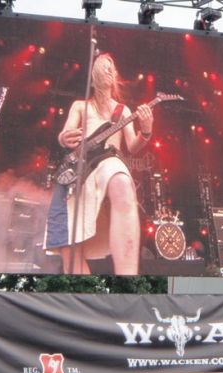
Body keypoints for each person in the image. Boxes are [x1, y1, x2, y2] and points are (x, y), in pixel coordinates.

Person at [44, 53, 154, 275]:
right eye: (103, 67)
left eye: (111, 68)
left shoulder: (122, 111)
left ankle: (128, 279)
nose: (108, 70)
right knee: (70, 253)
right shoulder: (80, 106)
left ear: (115, 77)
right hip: (80, 171)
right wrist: (64, 138)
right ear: (93, 77)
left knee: (121, 181)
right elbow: (66, 133)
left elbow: (132, 146)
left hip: (108, 162)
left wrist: (146, 130)